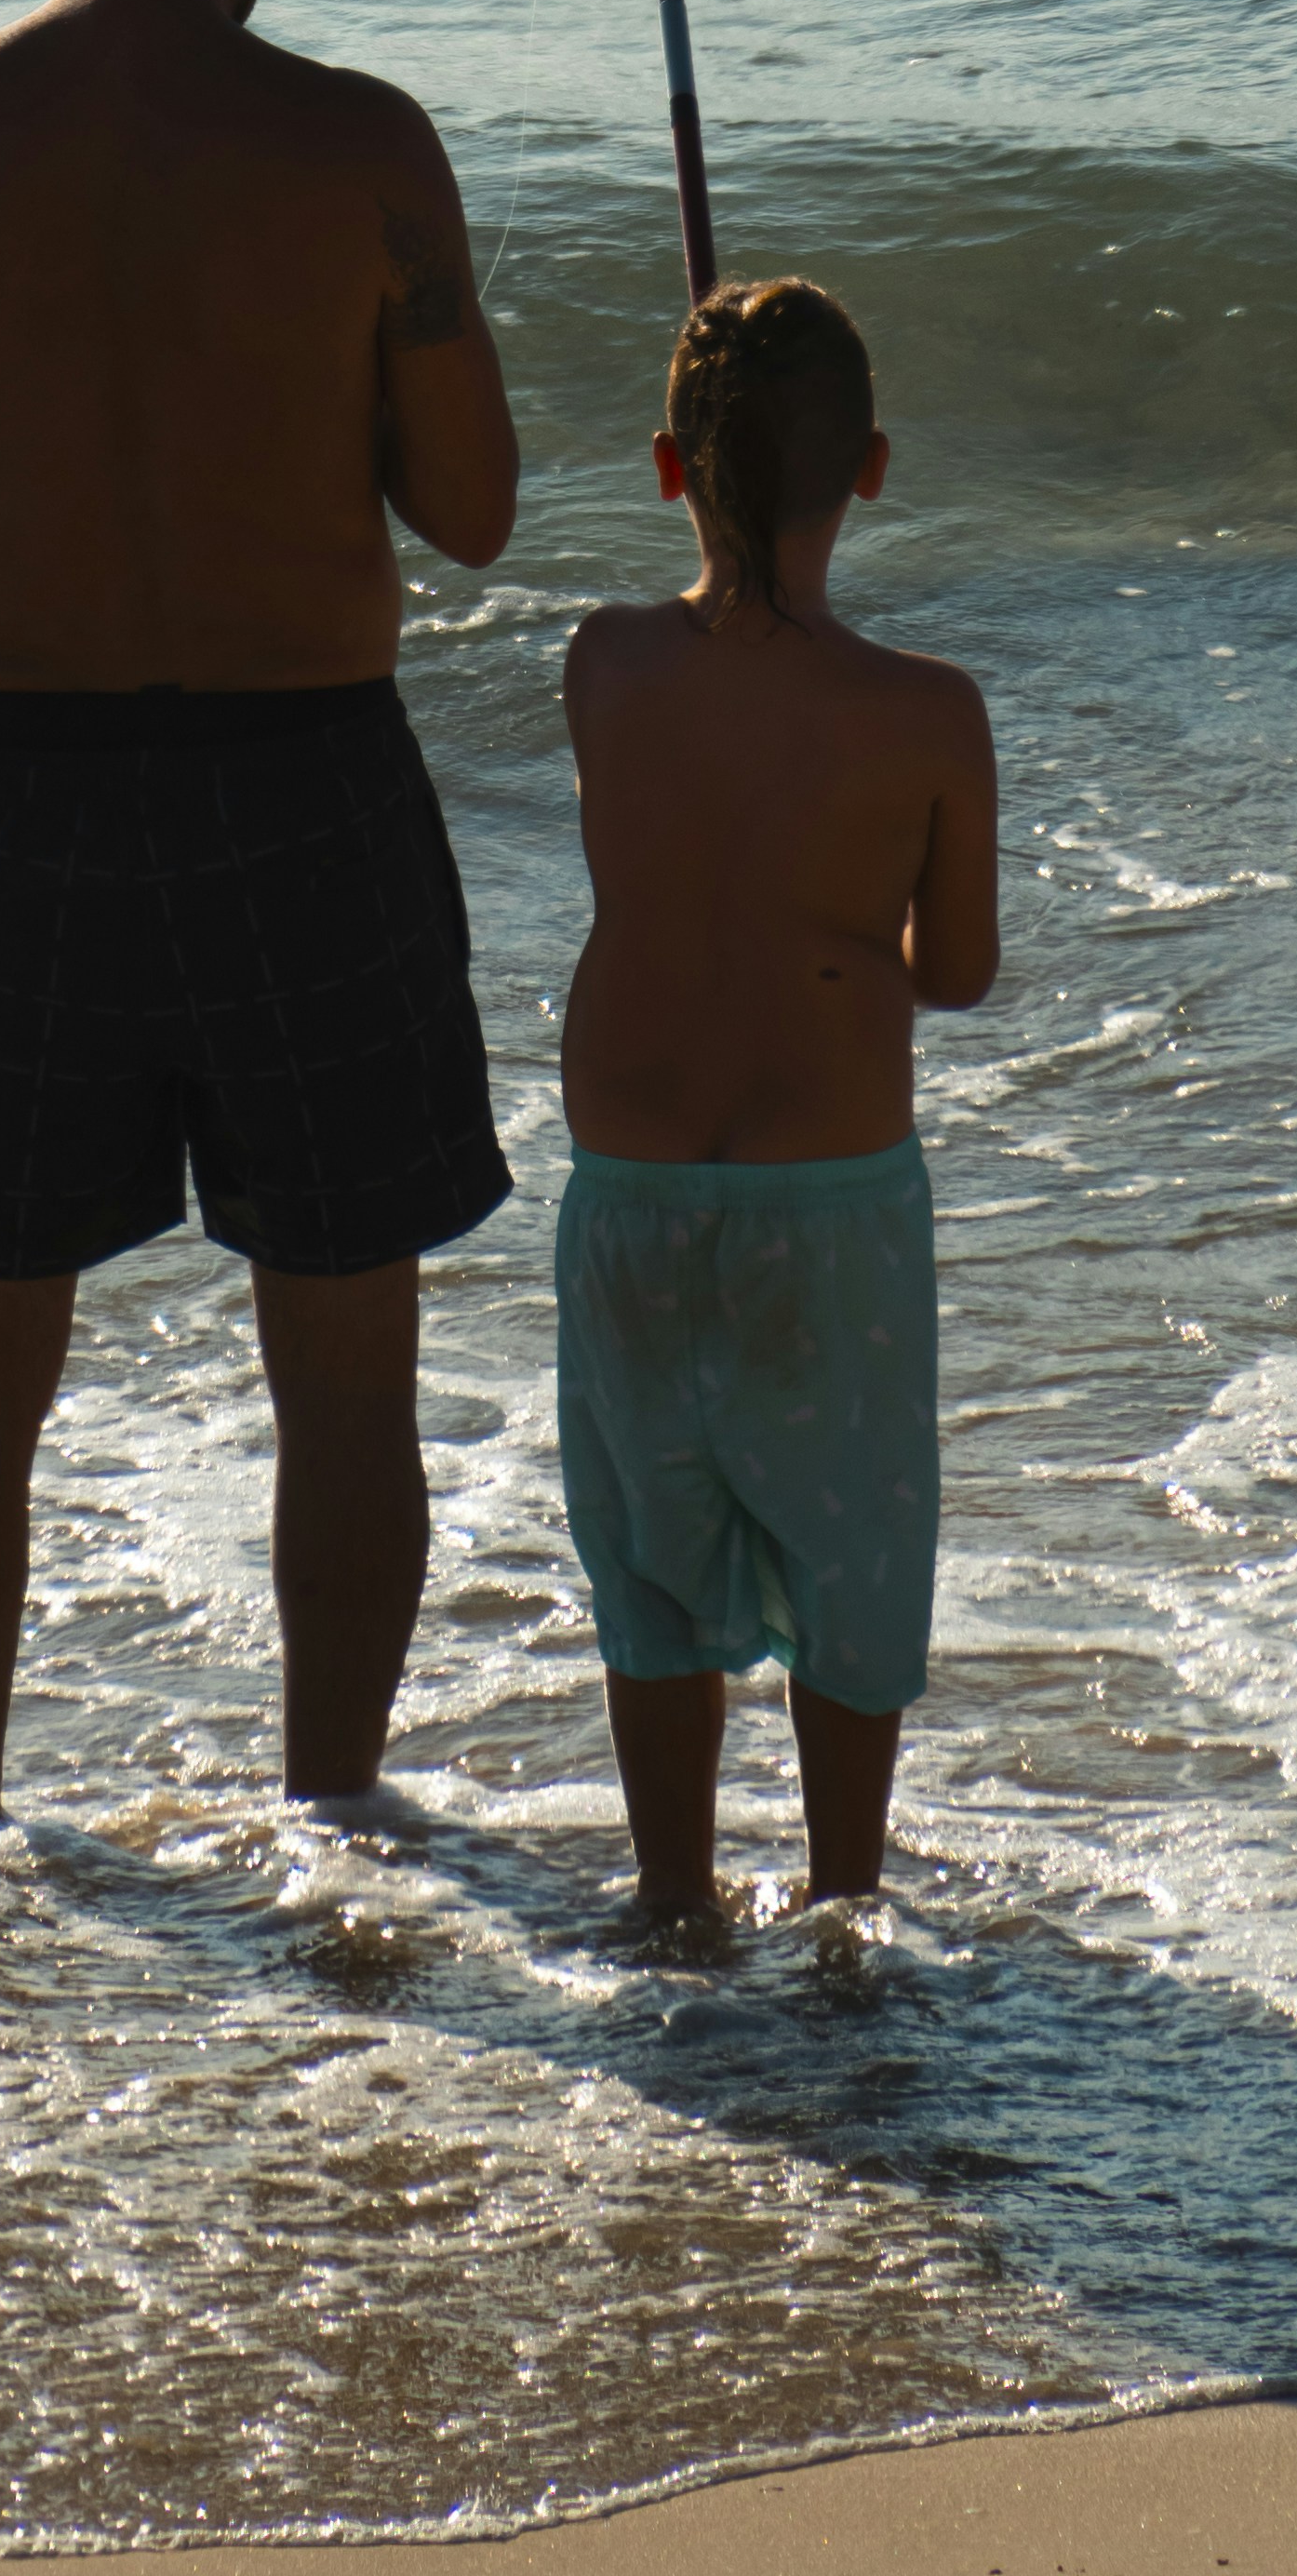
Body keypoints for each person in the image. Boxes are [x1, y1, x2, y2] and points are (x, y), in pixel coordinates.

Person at [0, 0, 519, 1836]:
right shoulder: (361, 145)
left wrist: (13, 415)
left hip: (22, 795)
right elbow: (464, 509)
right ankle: (334, 1826)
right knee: (343, 1375)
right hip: (304, 789)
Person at [556, 273, 997, 1915]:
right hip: (829, 1209)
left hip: (634, 1197)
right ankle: (840, 1907)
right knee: (852, 1559)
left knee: (656, 1573)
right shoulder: (928, 716)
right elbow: (952, 973)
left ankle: (674, 1898)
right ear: (871, 466)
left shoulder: (603, 666)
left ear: (669, 468)